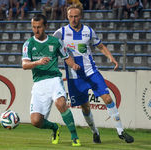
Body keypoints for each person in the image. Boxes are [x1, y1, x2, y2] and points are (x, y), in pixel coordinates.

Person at [53, 4, 134, 144]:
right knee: (85, 107)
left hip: (91, 73)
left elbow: (100, 46)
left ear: (81, 16)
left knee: (108, 98)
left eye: (76, 16)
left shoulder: (88, 31)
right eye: (71, 16)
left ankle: (121, 132)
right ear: (67, 16)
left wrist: (111, 58)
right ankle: (95, 132)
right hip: (74, 77)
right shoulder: (61, 32)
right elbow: (50, 46)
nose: (73, 19)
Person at [22, 14, 81, 147]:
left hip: (54, 79)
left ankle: (74, 136)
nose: (36, 30)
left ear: (45, 26)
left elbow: (66, 57)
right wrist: (38, 62)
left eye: (39, 27)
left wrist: (73, 65)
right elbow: (24, 65)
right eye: (34, 27)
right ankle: (55, 128)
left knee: (61, 104)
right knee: (36, 121)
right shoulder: (28, 44)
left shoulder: (55, 42)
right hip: (39, 83)